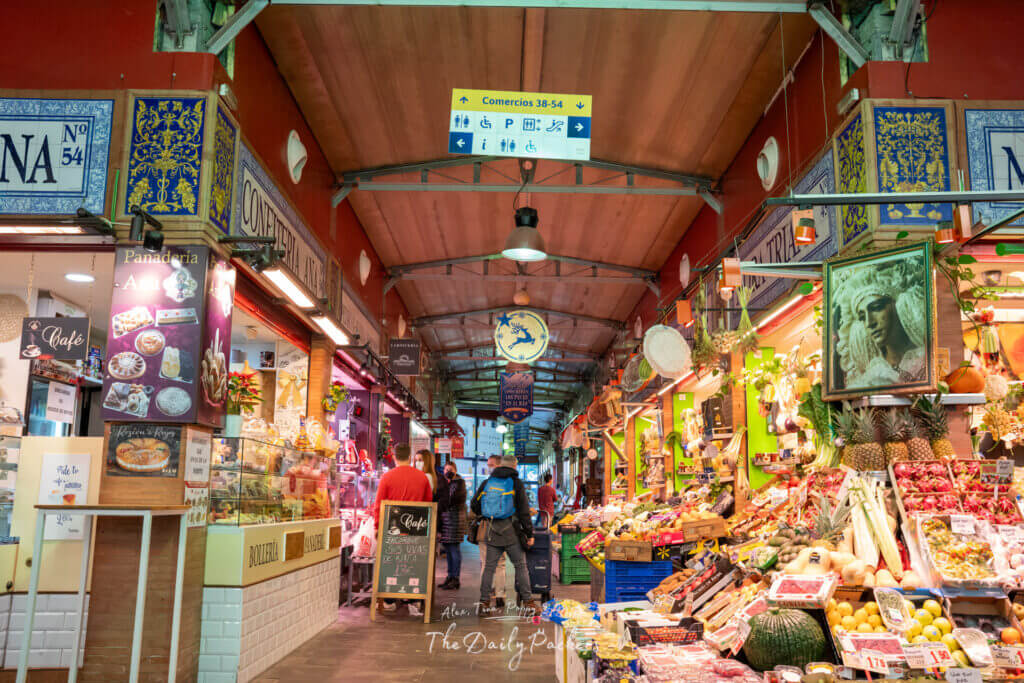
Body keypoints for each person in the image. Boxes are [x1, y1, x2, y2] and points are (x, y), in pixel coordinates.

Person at [372, 444, 433, 617]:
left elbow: (379, 504)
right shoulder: (422, 478)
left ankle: (390, 601)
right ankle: (414, 599)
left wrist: (377, 526)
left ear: (393, 456)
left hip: (393, 530)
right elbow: (428, 504)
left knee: (391, 564)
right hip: (416, 530)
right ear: (411, 456)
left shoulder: (387, 477)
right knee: (413, 563)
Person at [471, 454, 538, 613]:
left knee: (489, 567)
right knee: (520, 566)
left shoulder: (488, 482)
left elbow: (474, 504)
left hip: (492, 530)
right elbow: (523, 511)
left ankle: (484, 602)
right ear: (514, 466)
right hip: (511, 532)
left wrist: (487, 515)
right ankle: (529, 602)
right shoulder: (516, 483)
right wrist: (529, 534)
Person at [478, 455, 508, 606]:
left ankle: (485, 596)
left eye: (491, 465)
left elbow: (474, 504)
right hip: (503, 528)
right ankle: (500, 595)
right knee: (500, 563)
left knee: (486, 563)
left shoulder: (486, 483)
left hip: (487, 526)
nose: (488, 467)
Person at [436, 461, 467, 589]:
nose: (447, 471)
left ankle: (455, 578)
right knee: (448, 549)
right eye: (445, 469)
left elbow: (450, 499)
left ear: (455, 470)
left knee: (454, 549)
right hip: (446, 520)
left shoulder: (459, 483)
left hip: (454, 521)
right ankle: (450, 576)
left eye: (450, 469)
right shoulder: (445, 483)